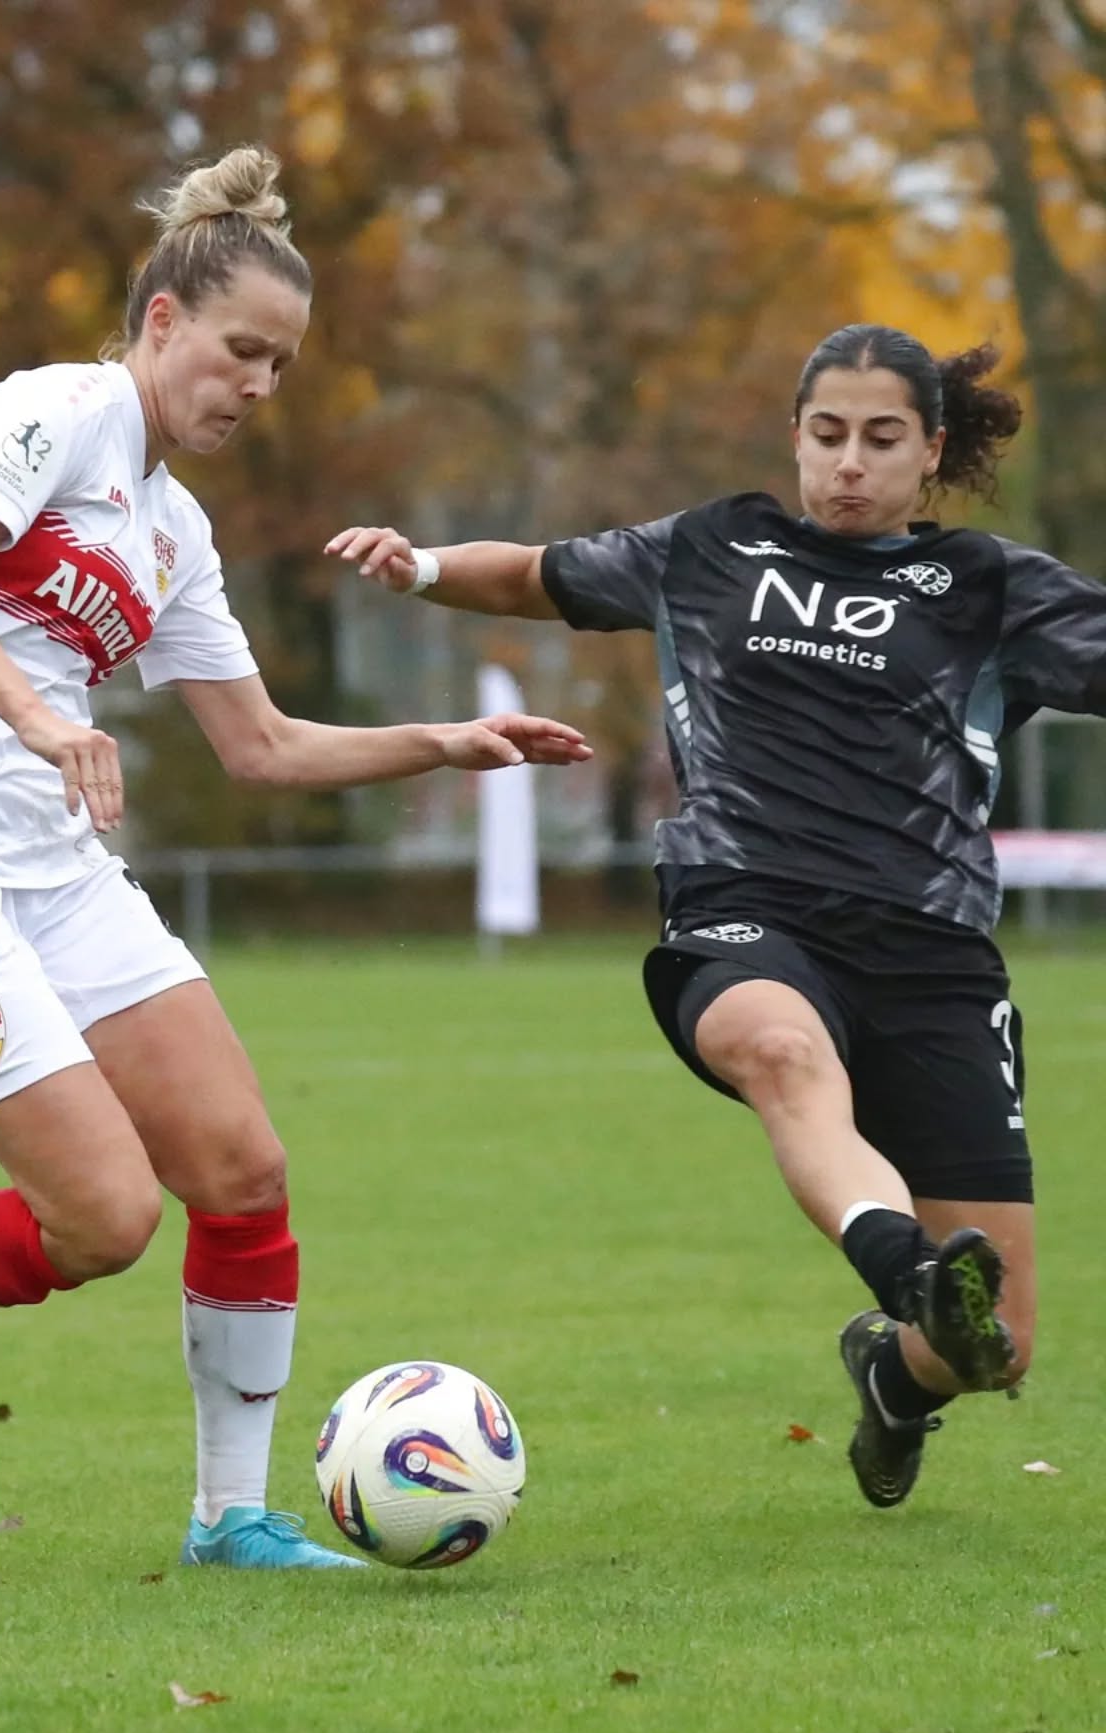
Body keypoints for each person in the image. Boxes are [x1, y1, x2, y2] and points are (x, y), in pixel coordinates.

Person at [0, 144, 591, 1570]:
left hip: (53, 875)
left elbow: (262, 748)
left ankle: (233, 1519)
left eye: (279, 366)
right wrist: (44, 718)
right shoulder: (59, 409)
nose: (256, 386)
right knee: (102, 1219)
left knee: (241, 1169)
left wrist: (443, 744)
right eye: (240, 351)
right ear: (162, 322)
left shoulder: (174, 530)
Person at [326, 322, 1106, 1510]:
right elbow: (538, 575)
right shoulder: (715, 547)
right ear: (796, 436)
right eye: (829, 434)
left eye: (883, 439)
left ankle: (895, 1377)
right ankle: (900, 1268)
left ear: (930, 449)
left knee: (994, 1343)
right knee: (782, 1051)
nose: (851, 462)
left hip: (934, 956)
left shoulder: (992, 590)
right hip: (746, 912)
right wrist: (420, 567)